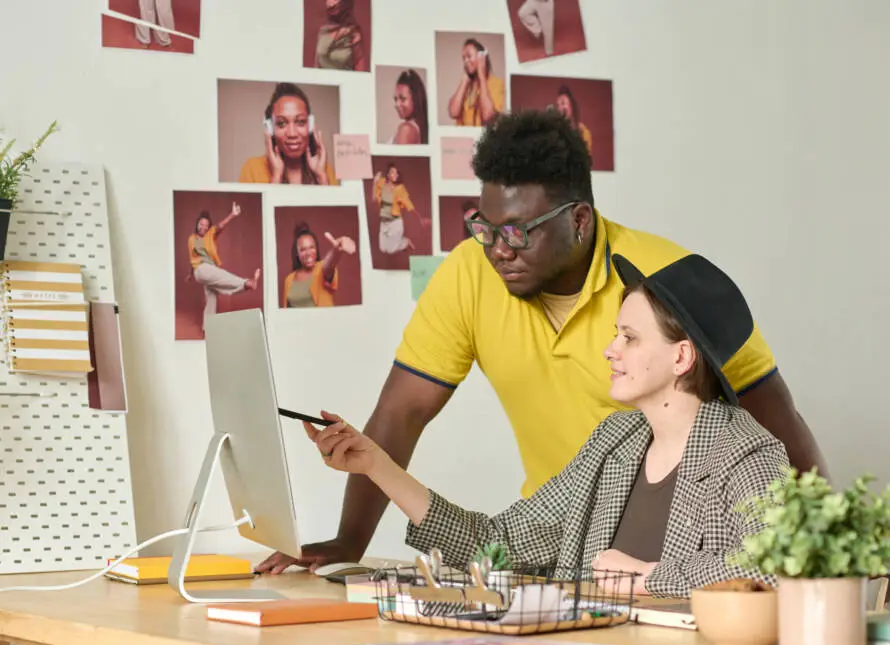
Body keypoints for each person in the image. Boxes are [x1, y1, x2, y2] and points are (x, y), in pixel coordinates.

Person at [256, 109, 826, 575]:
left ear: (579, 222)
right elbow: (405, 418)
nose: (498, 248)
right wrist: (350, 536)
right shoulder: (608, 442)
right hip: (567, 542)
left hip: (681, 552)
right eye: (484, 227)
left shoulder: (666, 285)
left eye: (518, 233)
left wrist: (837, 564)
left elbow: (776, 439)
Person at [304, 252, 790, 598]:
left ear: (681, 356)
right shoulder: (615, 440)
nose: (610, 349)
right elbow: (498, 544)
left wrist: (646, 576)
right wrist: (377, 465)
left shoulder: (747, 453)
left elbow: (773, 568)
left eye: (629, 337)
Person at [238, 83, 338, 186]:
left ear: (310, 126)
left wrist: (321, 177)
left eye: (300, 122)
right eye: (281, 123)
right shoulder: (252, 169)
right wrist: (276, 176)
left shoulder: (326, 171)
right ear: (270, 129)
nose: (292, 133)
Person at [185, 203, 260, 334]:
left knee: (212, 297)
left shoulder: (210, 235)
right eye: (200, 224)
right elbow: (192, 259)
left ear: (208, 228)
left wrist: (232, 214)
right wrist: (191, 274)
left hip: (209, 270)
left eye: (205, 225)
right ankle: (247, 283)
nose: (202, 227)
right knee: (223, 275)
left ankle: (207, 329)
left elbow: (220, 226)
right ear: (197, 224)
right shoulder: (191, 239)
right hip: (201, 270)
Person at [282, 222, 356, 308]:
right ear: (297, 254)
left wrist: (335, 251)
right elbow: (286, 312)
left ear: (316, 250)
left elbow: (328, 264)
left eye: (311, 247)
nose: (308, 253)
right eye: (303, 249)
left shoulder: (321, 269)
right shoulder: (289, 280)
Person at [371, 164, 430, 255]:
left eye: (396, 173)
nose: (395, 175)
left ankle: (405, 242)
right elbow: (374, 198)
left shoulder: (400, 189)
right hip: (384, 223)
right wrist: (375, 182)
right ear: (387, 174)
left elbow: (409, 206)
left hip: (395, 223)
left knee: (390, 250)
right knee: (382, 249)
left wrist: (420, 218)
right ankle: (402, 242)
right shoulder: (382, 183)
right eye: (392, 172)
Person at [447, 38, 505, 127]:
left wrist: (481, 75)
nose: (466, 61)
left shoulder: (497, 83)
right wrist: (465, 80)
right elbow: (453, 113)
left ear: (481, 57)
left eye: (469, 56)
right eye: (464, 58)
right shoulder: (465, 87)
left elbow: (488, 116)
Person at [314, 0, 367, 71]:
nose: (330, 4)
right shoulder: (323, 31)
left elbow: (360, 67)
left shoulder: (353, 33)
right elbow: (316, 65)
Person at [388, 69, 429, 145]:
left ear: (415, 99)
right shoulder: (418, 128)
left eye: (403, 99)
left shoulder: (406, 129)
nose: (397, 104)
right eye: (395, 99)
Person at [554, 85, 593, 160]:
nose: (560, 108)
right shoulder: (556, 132)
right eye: (558, 105)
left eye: (563, 103)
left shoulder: (584, 132)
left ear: (571, 105)